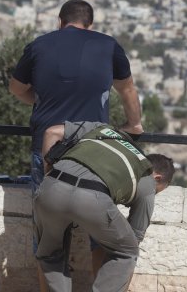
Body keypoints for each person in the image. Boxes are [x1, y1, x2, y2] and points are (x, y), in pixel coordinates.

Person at [9, 0, 144, 190]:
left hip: (47, 145)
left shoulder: (38, 46)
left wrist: (42, 99)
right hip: (93, 146)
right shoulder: (108, 46)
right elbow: (127, 89)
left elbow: (16, 88)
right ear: (90, 25)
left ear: (60, 22)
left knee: (45, 208)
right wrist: (134, 124)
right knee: (90, 206)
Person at [34, 121, 175, 292]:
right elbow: (134, 238)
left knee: (49, 253)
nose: (154, 194)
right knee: (127, 252)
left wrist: (51, 178)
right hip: (92, 197)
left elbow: (51, 131)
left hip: (51, 186)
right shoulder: (145, 173)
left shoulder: (100, 130)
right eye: (157, 191)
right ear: (158, 178)